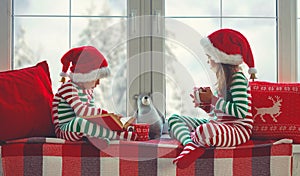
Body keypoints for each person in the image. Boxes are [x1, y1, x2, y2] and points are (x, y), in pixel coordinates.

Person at [168, 29, 257, 169]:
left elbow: (240, 112)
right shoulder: (221, 81)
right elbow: (218, 114)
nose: (207, 60)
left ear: (220, 59)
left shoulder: (237, 78)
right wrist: (205, 105)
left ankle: (194, 142)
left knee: (205, 130)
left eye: (209, 56)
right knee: (173, 119)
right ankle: (190, 144)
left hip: (238, 129)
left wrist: (213, 100)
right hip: (219, 123)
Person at [52, 46, 137, 149]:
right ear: (84, 76)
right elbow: (82, 112)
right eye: (95, 79)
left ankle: (95, 137)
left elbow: (92, 115)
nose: (98, 83)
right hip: (65, 129)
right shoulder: (69, 88)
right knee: (80, 122)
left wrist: (111, 119)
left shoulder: (88, 91)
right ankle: (119, 136)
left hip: (79, 130)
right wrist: (105, 115)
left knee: (95, 123)